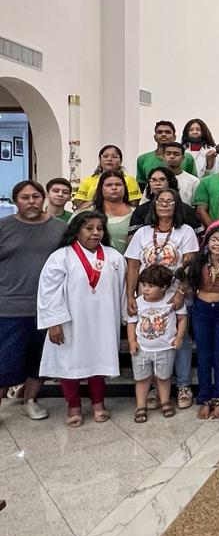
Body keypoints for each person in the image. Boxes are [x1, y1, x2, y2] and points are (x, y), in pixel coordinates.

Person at [37, 211, 126, 426]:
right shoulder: (61, 257)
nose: (95, 233)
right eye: (89, 228)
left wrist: (127, 318)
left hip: (104, 322)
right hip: (70, 323)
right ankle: (73, 405)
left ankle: (98, 403)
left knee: (99, 360)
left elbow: (124, 289)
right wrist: (53, 323)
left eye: (99, 228)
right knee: (70, 362)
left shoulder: (114, 257)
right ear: (76, 231)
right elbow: (49, 291)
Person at [0, 180, 66, 420]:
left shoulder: (59, 228)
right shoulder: (3, 227)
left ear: (43, 198)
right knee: (4, 361)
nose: (31, 202)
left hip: (47, 308)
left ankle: (30, 400)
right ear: (15, 201)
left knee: (40, 360)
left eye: (35, 197)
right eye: (25, 198)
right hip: (8, 307)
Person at [180, 225, 219, 418]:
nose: (218, 244)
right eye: (214, 239)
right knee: (204, 356)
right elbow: (189, 287)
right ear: (207, 243)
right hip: (201, 310)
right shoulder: (199, 263)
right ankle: (204, 399)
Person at [127, 263, 187, 422]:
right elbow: (131, 322)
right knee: (141, 379)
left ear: (164, 287)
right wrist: (132, 341)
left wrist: (179, 337)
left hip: (165, 347)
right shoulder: (138, 302)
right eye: (144, 285)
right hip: (142, 349)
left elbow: (182, 318)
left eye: (151, 286)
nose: (146, 289)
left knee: (164, 377)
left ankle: (165, 402)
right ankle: (141, 406)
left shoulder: (172, 300)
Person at [128, 166, 201, 234]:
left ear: (171, 182)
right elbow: (133, 238)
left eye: (162, 179)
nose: (157, 183)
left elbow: (197, 237)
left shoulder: (186, 210)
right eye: (153, 180)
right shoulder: (141, 210)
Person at [73, 145, 141, 207]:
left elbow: (134, 204)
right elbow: (79, 204)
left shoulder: (129, 180)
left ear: (120, 161)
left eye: (114, 157)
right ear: (100, 159)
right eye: (105, 156)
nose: (109, 159)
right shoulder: (88, 180)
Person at [136, 121, 196, 190]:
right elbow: (142, 185)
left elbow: (193, 182)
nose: (163, 134)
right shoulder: (143, 159)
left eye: (168, 132)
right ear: (155, 137)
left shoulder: (187, 158)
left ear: (174, 137)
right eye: (159, 132)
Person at [89, 171, 135, 254]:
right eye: (108, 185)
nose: (114, 188)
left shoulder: (137, 214)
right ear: (101, 188)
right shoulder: (87, 213)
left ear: (125, 187)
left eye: (118, 184)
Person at [161, 141, 200, 206]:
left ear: (183, 158)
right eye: (168, 154)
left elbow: (197, 206)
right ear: (163, 157)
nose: (172, 156)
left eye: (176, 154)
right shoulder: (155, 179)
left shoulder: (193, 181)